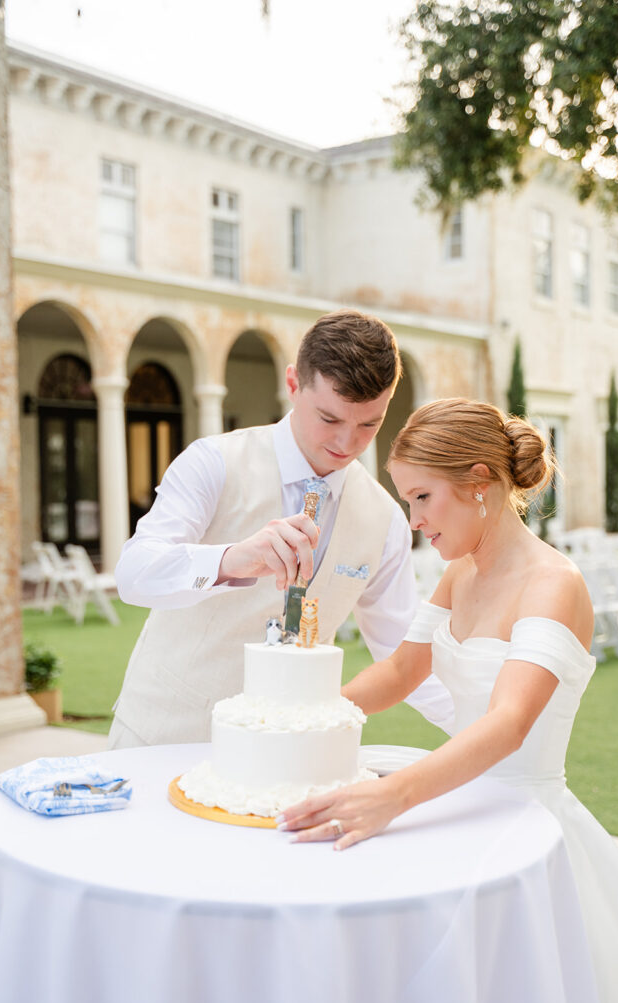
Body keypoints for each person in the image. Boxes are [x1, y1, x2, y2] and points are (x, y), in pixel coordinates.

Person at [277, 397, 618, 1003]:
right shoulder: (458, 574)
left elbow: (509, 724)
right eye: (407, 501)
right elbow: (402, 671)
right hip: (459, 801)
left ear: (479, 481)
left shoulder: (553, 585)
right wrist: (296, 713)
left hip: (526, 819)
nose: (413, 519)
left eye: (422, 498)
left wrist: (393, 796)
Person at [109, 310, 453, 748]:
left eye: (370, 424)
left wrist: (493, 734)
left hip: (288, 756)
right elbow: (134, 574)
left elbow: (404, 652)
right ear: (293, 385)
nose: (347, 444)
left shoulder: (385, 520)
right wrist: (232, 559)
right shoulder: (213, 462)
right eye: (329, 419)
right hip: (164, 739)